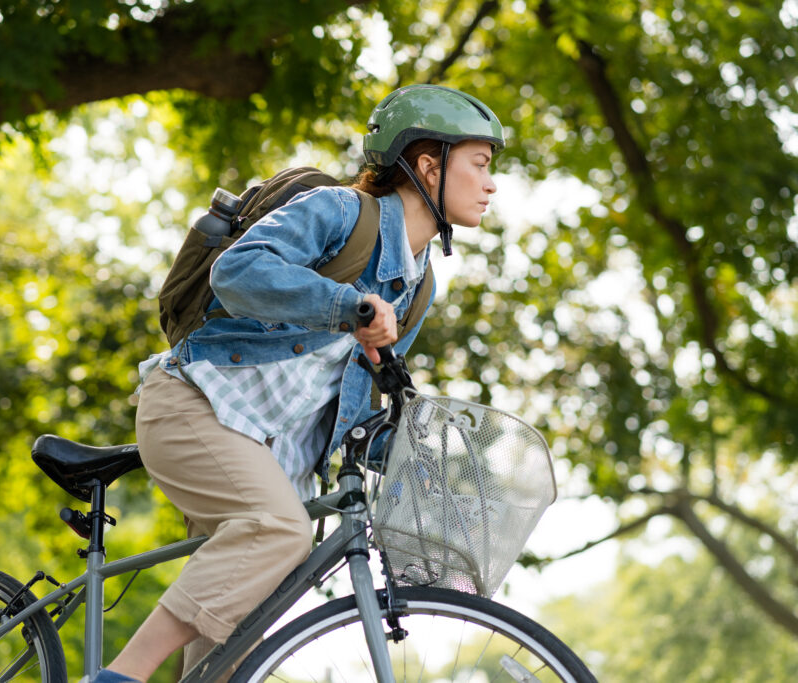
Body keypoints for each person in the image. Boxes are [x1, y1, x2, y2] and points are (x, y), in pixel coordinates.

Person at [92, 84, 504, 683]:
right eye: (481, 164)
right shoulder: (341, 212)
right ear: (428, 165)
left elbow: (361, 405)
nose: (491, 185)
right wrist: (347, 305)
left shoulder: (419, 288)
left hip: (273, 457)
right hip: (195, 404)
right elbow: (237, 269)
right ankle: (120, 676)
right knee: (278, 531)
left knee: (239, 640)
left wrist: (429, 469)